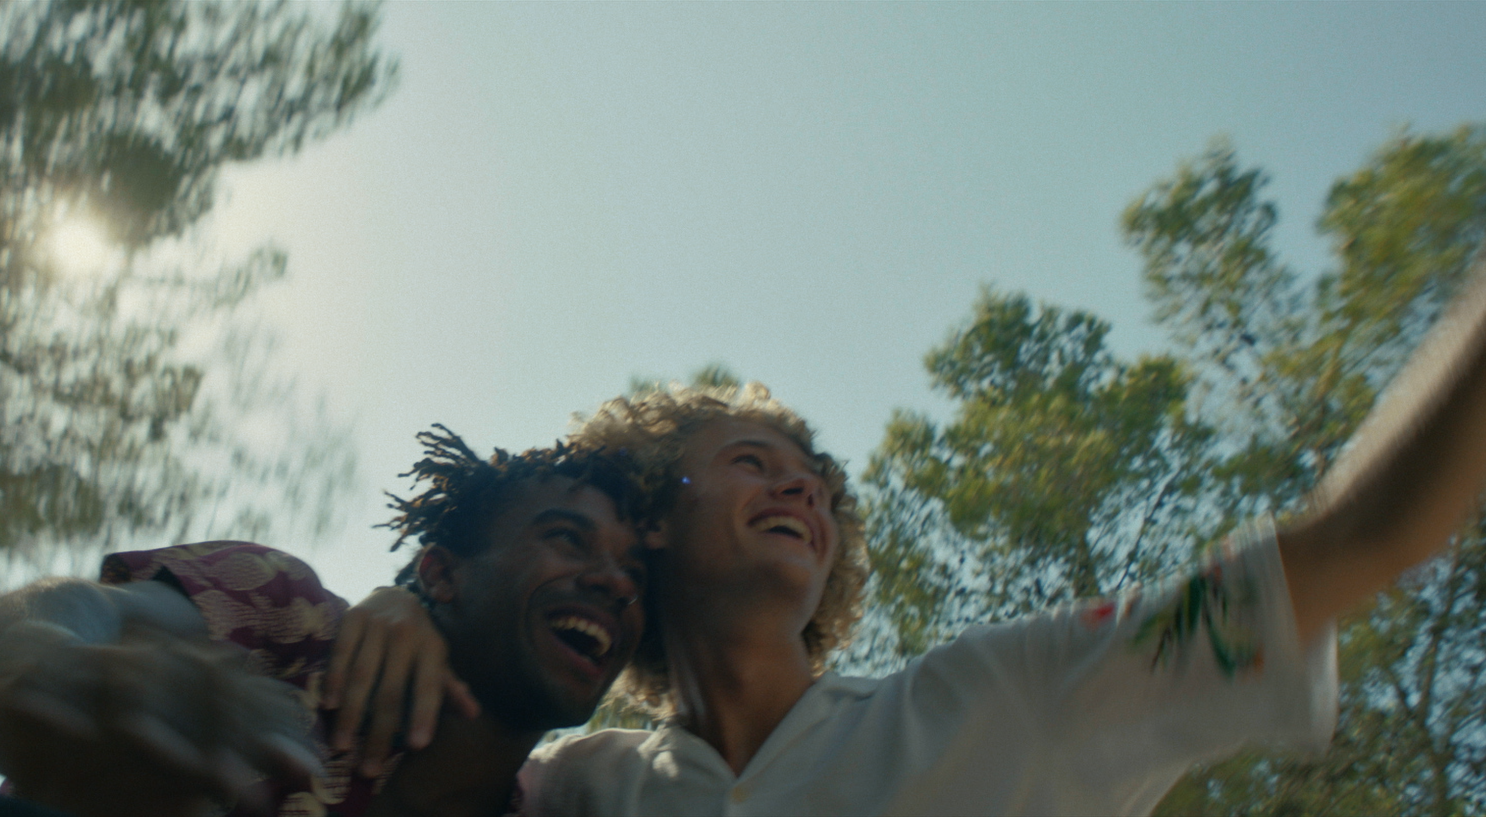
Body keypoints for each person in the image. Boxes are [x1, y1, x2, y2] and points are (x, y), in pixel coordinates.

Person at [357, 264, 1486, 815]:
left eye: (818, 483)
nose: (801, 485)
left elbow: (1364, 537)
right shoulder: (580, 788)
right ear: (648, 516)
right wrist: (401, 605)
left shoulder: (1006, 695)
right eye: (751, 459)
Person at [0, 428, 649, 817]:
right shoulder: (290, 617)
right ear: (440, 574)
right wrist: (40, 669)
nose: (617, 583)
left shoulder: (560, 806)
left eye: (637, 573)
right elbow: (82, 612)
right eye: (568, 539)